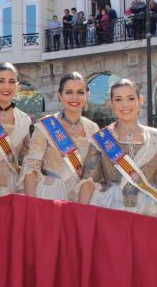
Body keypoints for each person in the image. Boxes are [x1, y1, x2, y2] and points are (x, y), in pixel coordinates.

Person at [77, 79, 157, 219]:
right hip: (111, 210)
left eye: (131, 98)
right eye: (119, 99)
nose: (125, 104)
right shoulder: (101, 139)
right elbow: (89, 182)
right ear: (111, 104)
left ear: (140, 100)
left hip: (150, 213)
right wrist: (81, 220)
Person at [23, 73, 100, 201]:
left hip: (83, 197)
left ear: (87, 95)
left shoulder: (93, 129)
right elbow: (31, 167)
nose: (74, 97)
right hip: (51, 196)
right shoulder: (46, 126)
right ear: (60, 95)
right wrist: (32, 205)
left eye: (80, 92)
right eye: (69, 92)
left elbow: (92, 173)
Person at [0, 63, 31, 197]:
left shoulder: (24, 119)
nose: (6, 87)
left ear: (18, 85)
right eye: (0, 81)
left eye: (12, 82)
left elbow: (25, 154)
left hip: (14, 185)